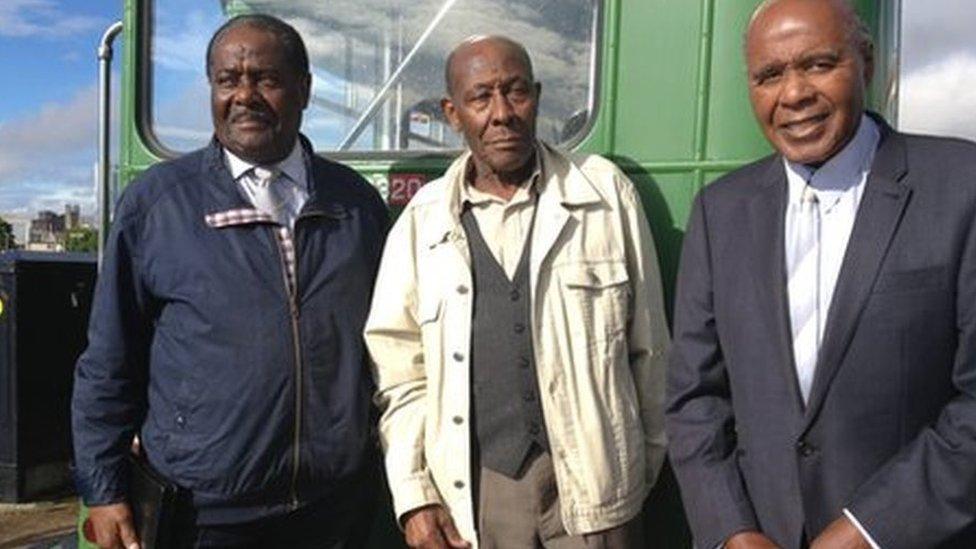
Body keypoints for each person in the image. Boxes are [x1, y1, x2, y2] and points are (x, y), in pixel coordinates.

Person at [665, 1, 976, 548]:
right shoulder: (720, 211)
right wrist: (733, 531)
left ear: (868, 63)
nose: (793, 94)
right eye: (769, 75)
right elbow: (695, 400)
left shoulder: (960, 186)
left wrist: (869, 530)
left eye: (817, 64)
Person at [71, 14, 388, 549]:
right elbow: (108, 360)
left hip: (337, 506)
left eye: (266, 78)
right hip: (205, 514)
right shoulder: (157, 205)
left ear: (303, 89)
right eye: (227, 80)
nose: (245, 95)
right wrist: (103, 490)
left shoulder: (355, 204)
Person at [364, 35, 670, 549]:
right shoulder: (423, 221)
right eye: (480, 97)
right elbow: (400, 375)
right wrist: (415, 493)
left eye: (516, 92)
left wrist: (631, 478)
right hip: (480, 495)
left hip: (597, 493)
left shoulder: (604, 194)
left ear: (538, 96)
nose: (502, 113)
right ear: (453, 113)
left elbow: (652, 352)